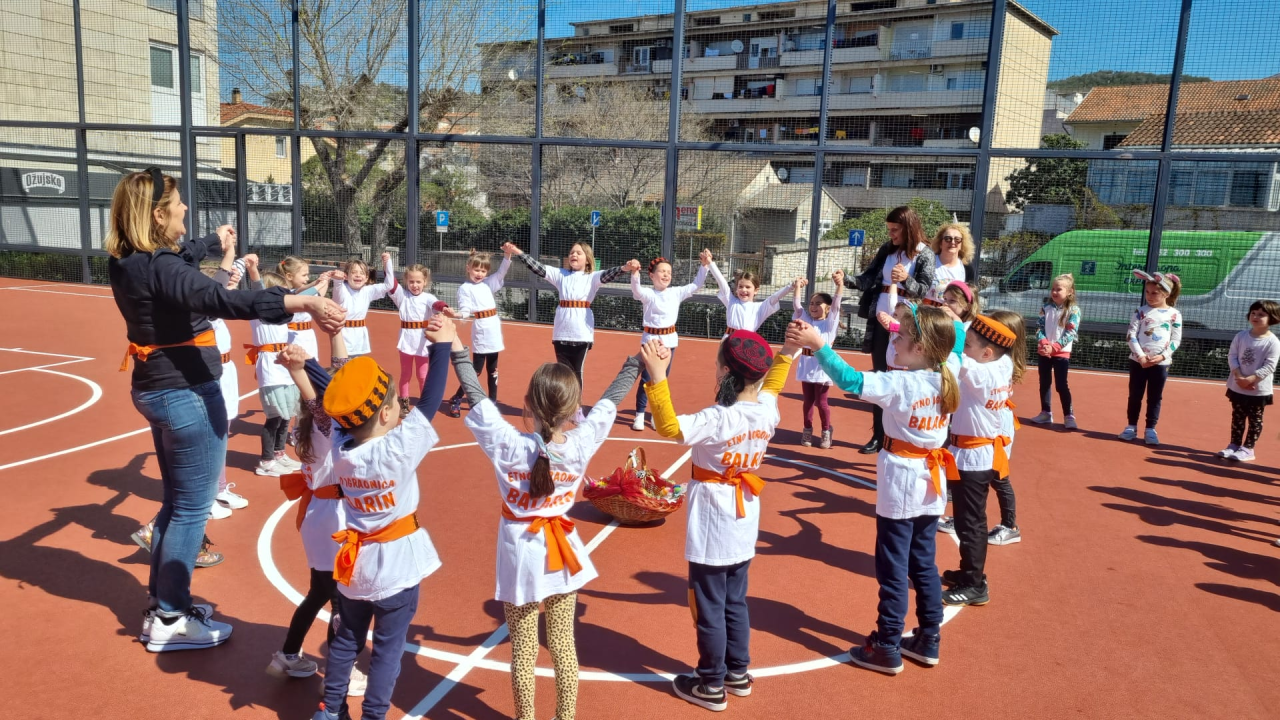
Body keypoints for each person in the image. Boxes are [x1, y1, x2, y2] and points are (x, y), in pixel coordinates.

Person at [108, 167, 344, 652]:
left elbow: (180, 258)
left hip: (157, 388)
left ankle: (163, 605)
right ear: (157, 214)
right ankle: (171, 617)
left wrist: (211, 242)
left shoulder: (130, 260)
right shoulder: (162, 268)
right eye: (178, 205)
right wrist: (302, 302)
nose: (185, 210)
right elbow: (222, 298)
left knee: (178, 503)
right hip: (186, 392)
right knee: (192, 508)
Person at [451, 337, 642, 720]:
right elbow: (608, 403)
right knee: (563, 644)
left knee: (523, 650)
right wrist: (637, 361)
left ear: (528, 403)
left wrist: (456, 348)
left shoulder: (507, 443)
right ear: (573, 410)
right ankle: (565, 717)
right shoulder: (580, 442)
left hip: (519, 552)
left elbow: (476, 394)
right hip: (561, 553)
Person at [789, 305, 957, 674]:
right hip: (932, 483)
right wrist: (922, 318)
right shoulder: (949, 371)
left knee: (893, 565)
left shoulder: (900, 383)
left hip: (903, 480)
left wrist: (819, 346)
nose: (894, 338)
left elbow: (850, 381)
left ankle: (886, 643)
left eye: (901, 336)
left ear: (922, 346)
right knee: (923, 562)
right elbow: (953, 340)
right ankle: (929, 637)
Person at [641, 331, 797, 711]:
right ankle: (737, 672)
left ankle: (711, 683)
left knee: (708, 604)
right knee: (734, 600)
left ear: (726, 371)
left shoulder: (717, 418)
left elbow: (669, 428)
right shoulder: (765, 411)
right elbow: (772, 384)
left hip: (714, 519)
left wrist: (657, 376)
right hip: (745, 516)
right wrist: (787, 354)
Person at [313, 319, 455, 720]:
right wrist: (442, 346)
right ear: (390, 411)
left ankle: (330, 709)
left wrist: (312, 362)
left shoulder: (342, 449)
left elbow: (338, 404)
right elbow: (429, 402)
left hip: (355, 568)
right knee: (388, 653)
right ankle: (374, 715)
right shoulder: (397, 450)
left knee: (345, 641)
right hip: (396, 565)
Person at [267, 339, 370, 695]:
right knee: (342, 599)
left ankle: (288, 654)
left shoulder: (308, 427)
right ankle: (344, 671)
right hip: (336, 518)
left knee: (318, 593)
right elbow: (320, 400)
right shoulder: (328, 426)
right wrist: (299, 370)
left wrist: (332, 336)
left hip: (318, 515)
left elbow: (326, 387)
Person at [939, 314, 1023, 607]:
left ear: (986, 353)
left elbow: (949, 353)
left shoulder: (979, 373)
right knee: (967, 520)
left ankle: (974, 584)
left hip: (974, 458)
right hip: (973, 452)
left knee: (971, 524)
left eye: (970, 345)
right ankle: (966, 572)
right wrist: (961, 320)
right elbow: (967, 343)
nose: (965, 350)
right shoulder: (1002, 363)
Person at [845, 205, 938, 454]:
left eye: (895, 230)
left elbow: (924, 289)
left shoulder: (924, 253)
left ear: (908, 228)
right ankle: (878, 435)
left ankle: (904, 432)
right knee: (880, 374)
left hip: (907, 324)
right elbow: (868, 277)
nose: (891, 235)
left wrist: (905, 279)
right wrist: (847, 279)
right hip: (880, 320)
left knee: (906, 377)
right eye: (889, 230)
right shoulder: (887, 249)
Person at [507, 241, 626, 392]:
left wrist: (624, 268)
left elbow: (609, 274)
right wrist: (518, 252)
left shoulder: (593, 277)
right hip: (561, 332)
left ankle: (576, 408)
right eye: (571, 252)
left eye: (578, 253)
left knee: (576, 372)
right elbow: (537, 267)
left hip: (581, 334)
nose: (574, 255)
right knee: (563, 373)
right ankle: (563, 406)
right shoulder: (560, 275)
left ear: (588, 259)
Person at [626, 252, 710, 430]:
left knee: (661, 379)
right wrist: (634, 274)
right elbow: (637, 290)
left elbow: (697, 284)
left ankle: (656, 415)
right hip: (651, 341)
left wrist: (704, 266)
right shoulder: (648, 294)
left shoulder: (676, 293)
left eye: (669, 272)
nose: (666, 275)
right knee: (647, 378)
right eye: (662, 271)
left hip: (669, 342)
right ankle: (640, 414)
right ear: (652, 275)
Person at [199, 261, 250, 519]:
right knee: (211, 437)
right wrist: (234, 261)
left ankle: (219, 488)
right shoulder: (204, 313)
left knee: (223, 434)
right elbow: (221, 292)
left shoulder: (216, 310)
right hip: (212, 374)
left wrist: (239, 266)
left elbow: (228, 291)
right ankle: (204, 498)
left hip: (227, 373)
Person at [245, 270, 304, 478]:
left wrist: (322, 282)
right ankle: (266, 461)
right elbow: (257, 288)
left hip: (284, 365)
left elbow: (302, 295)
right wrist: (253, 270)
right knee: (274, 417)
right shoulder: (258, 311)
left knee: (286, 415)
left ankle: (279, 454)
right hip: (270, 366)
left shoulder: (280, 314)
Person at [447, 247, 514, 417]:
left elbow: (501, 273)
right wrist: (456, 314)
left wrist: (507, 256)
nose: (479, 273)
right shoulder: (465, 288)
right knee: (476, 369)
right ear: (468, 268)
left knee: (493, 370)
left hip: (493, 329)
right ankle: (456, 398)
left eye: (483, 270)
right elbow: (465, 309)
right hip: (481, 330)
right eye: (476, 269)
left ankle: (492, 402)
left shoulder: (487, 284)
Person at [1120, 271, 1183, 446]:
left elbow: (1176, 339)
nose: (1149, 296)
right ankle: (1131, 427)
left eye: (1154, 293)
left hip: (1161, 364)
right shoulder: (1140, 311)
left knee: (1155, 397)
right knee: (1135, 395)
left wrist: (1162, 356)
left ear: (1166, 294)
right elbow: (1131, 335)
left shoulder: (1174, 314)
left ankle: (1150, 429)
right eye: (1147, 292)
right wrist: (1140, 356)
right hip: (1138, 362)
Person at [986, 310, 1028, 547]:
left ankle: (1010, 525)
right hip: (990, 419)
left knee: (998, 476)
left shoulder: (1003, 362)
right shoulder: (996, 357)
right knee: (977, 474)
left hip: (998, 425)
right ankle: (967, 517)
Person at [1220, 300, 1280, 462]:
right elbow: (1232, 356)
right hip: (1237, 386)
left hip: (1257, 389)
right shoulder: (1241, 336)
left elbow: (1270, 365)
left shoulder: (1272, 341)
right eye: (1253, 313)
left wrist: (1251, 379)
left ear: (1272, 318)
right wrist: (1238, 376)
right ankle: (1234, 444)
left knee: (1255, 419)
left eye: (1261, 314)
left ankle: (1248, 449)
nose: (1255, 316)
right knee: (1237, 417)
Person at [389, 261, 452, 415]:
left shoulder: (428, 297)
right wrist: (387, 264)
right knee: (405, 374)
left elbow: (436, 304)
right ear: (406, 282)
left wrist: (443, 306)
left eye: (418, 281)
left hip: (423, 341)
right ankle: (404, 401)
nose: (415, 285)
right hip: (406, 341)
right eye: (411, 281)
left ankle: (426, 403)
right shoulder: (402, 297)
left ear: (425, 282)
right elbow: (391, 284)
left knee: (422, 375)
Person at [792, 270, 845, 449]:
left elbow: (837, 304)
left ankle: (825, 431)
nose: (813, 306)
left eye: (818, 303)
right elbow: (797, 306)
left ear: (828, 308)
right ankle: (807, 429)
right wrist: (798, 287)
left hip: (822, 367)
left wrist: (840, 285)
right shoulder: (807, 320)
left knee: (821, 403)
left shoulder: (829, 324)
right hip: (806, 366)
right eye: (812, 303)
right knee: (807, 401)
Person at [1030, 274, 1081, 429]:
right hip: (1044, 352)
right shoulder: (1046, 308)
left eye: (1059, 289)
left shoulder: (1074, 310)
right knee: (1044, 383)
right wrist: (1045, 344)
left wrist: (1055, 347)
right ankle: (1046, 412)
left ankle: (1069, 415)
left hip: (1061, 354)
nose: (1054, 292)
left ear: (1070, 291)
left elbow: (1071, 332)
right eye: (1053, 289)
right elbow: (1038, 327)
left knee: (1061, 385)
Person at [705, 251, 797, 336]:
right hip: (728, 340)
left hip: (747, 343)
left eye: (748, 287)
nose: (743, 290)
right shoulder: (731, 301)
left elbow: (774, 298)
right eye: (740, 286)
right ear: (736, 289)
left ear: (756, 290)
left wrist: (791, 286)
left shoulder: (760, 307)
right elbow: (722, 282)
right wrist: (710, 262)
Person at [333, 253, 395, 359]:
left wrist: (387, 263)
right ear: (346, 276)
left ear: (366, 278)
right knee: (341, 370)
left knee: (357, 369)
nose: (358, 275)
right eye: (354, 272)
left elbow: (389, 285)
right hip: (342, 336)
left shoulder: (367, 291)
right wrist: (337, 280)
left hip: (359, 339)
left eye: (362, 273)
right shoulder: (342, 288)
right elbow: (337, 296)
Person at [278, 255, 333, 361]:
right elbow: (302, 295)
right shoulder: (285, 294)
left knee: (312, 367)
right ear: (289, 276)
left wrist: (325, 279)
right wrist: (318, 284)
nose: (307, 278)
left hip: (308, 337)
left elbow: (318, 294)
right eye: (304, 275)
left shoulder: (303, 292)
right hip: (292, 337)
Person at [926, 223, 976, 307]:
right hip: (928, 314)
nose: (953, 242)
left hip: (952, 317)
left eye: (957, 239)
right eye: (948, 239)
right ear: (940, 243)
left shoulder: (967, 269)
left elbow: (969, 299)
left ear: (961, 244)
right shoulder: (928, 262)